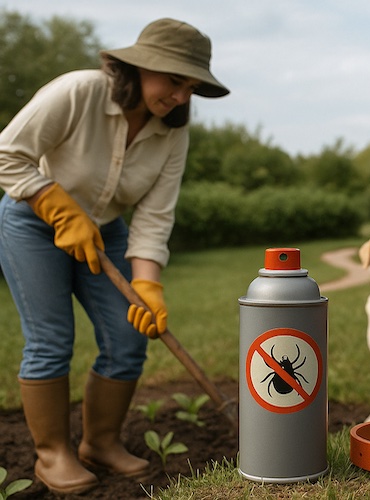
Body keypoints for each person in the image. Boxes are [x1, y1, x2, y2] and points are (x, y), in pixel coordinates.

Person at [0, 18, 229, 494]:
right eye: (173, 81)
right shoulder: (79, 92)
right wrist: (55, 205)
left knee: (129, 337)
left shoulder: (172, 134)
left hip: (107, 233)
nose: (181, 97)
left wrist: (148, 284)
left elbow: (154, 218)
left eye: (191, 87)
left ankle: (100, 443)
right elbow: (8, 153)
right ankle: (52, 454)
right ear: (139, 67)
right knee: (51, 340)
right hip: (32, 223)